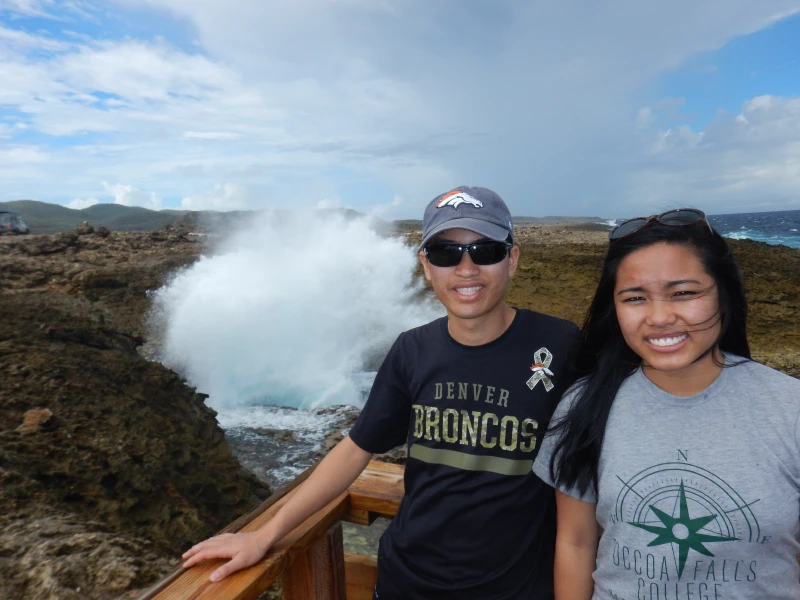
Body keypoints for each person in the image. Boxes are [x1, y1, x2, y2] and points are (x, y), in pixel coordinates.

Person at [182, 186, 581, 599]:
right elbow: (357, 447)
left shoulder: (561, 345)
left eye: (485, 251)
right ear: (426, 266)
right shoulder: (412, 350)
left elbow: (601, 462)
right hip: (406, 584)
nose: (466, 268)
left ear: (512, 259)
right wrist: (266, 535)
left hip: (518, 589)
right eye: (446, 253)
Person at [532, 208, 800, 600]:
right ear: (615, 308)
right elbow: (575, 543)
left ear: (723, 295)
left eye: (684, 293)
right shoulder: (584, 404)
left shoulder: (788, 407)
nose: (659, 318)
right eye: (635, 297)